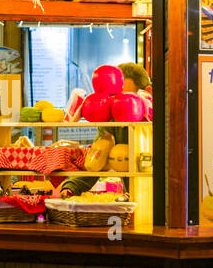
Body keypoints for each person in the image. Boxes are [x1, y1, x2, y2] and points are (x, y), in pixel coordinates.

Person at [58, 63, 152, 198]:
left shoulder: (161, 117)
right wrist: (72, 187)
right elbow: (97, 157)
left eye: (129, 99)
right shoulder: (111, 119)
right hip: (134, 199)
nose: (122, 104)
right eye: (117, 98)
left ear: (147, 92)